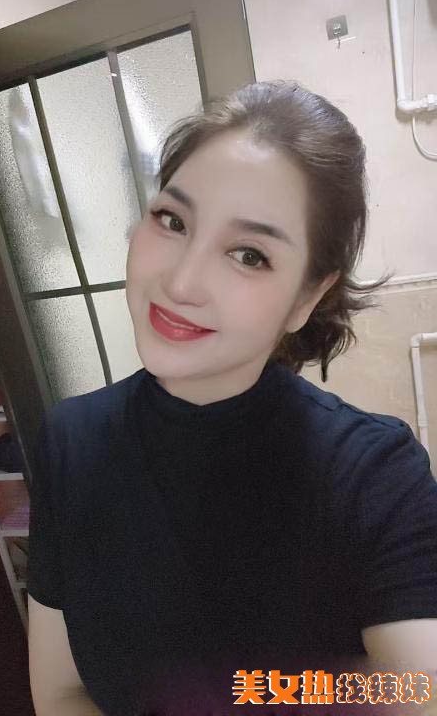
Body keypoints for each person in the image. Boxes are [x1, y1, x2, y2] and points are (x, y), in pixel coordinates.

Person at [26, 80, 437, 716]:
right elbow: (59, 691)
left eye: (249, 254)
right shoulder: (70, 439)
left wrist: (250, 688)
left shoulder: (373, 469)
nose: (182, 282)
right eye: (173, 221)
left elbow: (417, 691)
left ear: (307, 297)